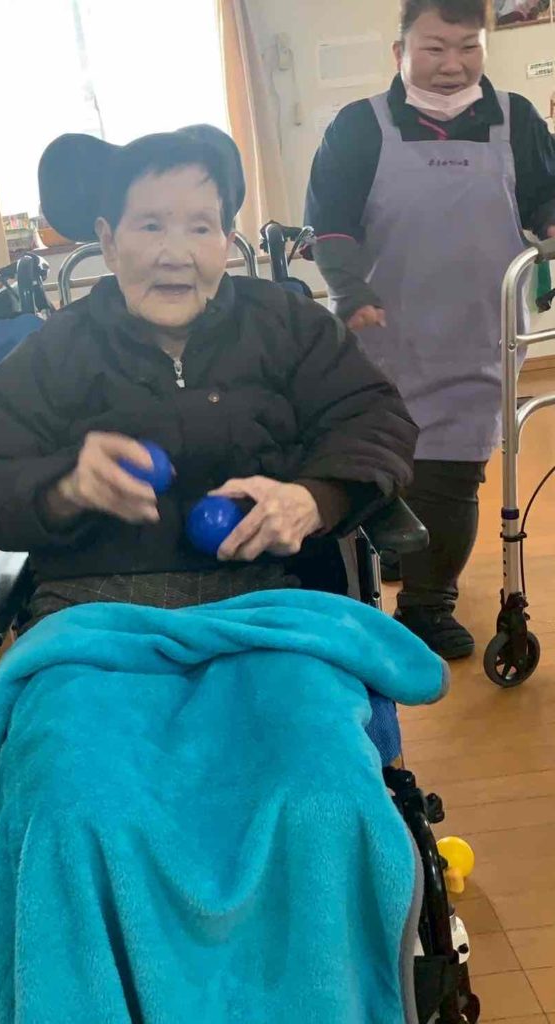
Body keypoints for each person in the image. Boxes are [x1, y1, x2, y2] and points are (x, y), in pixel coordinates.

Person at [0, 125, 416, 621]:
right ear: (109, 241)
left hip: (280, 595)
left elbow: (377, 419)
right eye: (150, 227)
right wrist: (66, 489)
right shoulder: (54, 352)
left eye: (200, 228)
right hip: (98, 610)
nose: (175, 255)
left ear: (226, 242)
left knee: (343, 677)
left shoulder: (291, 327)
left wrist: (315, 498)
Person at [305, 0, 555, 660]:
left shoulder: (516, 120)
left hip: (482, 331)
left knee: (452, 469)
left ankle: (425, 604)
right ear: (400, 53)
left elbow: (545, 199)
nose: (453, 64)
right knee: (390, 457)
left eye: (468, 48)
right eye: (435, 48)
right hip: (385, 329)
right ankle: (398, 551)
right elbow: (331, 220)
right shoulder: (359, 126)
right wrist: (349, 289)